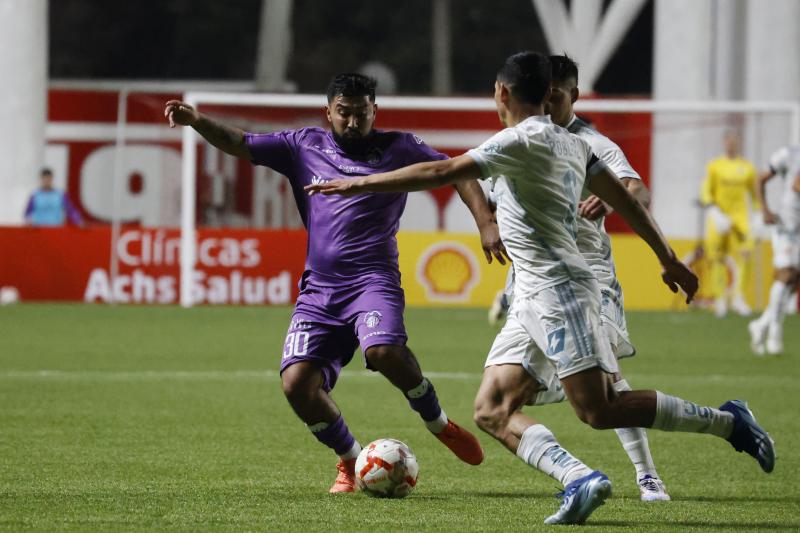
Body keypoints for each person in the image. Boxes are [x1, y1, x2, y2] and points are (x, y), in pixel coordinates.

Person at [307, 52, 775, 525]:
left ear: (503, 93)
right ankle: (578, 478)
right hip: (530, 295)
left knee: (600, 409)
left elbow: (440, 172)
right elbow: (625, 203)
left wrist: (358, 184)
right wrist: (668, 258)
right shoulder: (574, 144)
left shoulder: (519, 140)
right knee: (491, 409)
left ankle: (730, 422)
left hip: (562, 291)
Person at [165, 73, 504, 493]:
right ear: (329, 112)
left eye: (362, 113)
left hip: (372, 280)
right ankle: (349, 459)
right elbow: (241, 143)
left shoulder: (399, 147)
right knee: (296, 385)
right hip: (320, 289)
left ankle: (438, 423)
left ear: (374, 112)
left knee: (383, 351)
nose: (352, 121)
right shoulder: (302, 145)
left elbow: (457, 171)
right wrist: (198, 121)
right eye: (344, 112)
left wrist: (486, 221)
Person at [487, 54, 668, 502]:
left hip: (590, 280)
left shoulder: (594, 144)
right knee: (499, 402)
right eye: (544, 93)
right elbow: (479, 185)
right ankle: (577, 477)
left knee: (608, 381)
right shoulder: (518, 141)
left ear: (574, 95)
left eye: (557, 95)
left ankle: (647, 474)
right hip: (534, 286)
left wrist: (610, 201)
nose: (548, 101)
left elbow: (637, 189)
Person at [700, 132, 760, 317]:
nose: (731, 144)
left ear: (739, 142)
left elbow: (755, 194)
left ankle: (738, 297)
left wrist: (757, 215)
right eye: (728, 140)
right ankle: (720, 300)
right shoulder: (714, 166)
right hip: (719, 217)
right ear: (724, 142)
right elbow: (706, 191)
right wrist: (713, 211)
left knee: (747, 253)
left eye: (734, 140)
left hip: (740, 217)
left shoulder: (748, 167)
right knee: (717, 257)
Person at [748, 144, 800, 355]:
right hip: (787, 224)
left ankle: (761, 325)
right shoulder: (789, 154)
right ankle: (774, 332)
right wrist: (765, 210)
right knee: (786, 274)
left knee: (795, 278)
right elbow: (761, 179)